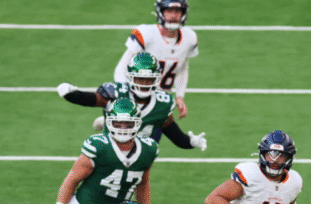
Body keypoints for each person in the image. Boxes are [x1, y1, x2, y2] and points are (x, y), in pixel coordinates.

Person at [39, 98, 159, 204]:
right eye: (117, 124)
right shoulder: (99, 146)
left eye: (128, 124)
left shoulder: (148, 149)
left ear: (137, 124)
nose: (122, 129)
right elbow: (72, 180)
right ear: (109, 123)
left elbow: (143, 183)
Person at [56, 51, 206, 151]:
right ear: (130, 77)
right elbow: (91, 99)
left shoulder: (162, 103)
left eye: (148, 80)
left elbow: (174, 134)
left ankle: (109, 119)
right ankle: (110, 119)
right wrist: (72, 94)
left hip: (137, 155)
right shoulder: (116, 93)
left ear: (156, 79)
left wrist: (191, 142)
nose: (144, 84)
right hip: (110, 151)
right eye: (140, 79)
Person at [114, 0, 198, 120]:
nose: (173, 15)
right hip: (138, 97)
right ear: (161, 12)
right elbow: (122, 68)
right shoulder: (147, 34)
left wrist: (180, 97)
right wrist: (125, 99)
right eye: (169, 11)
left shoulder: (189, 38)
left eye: (177, 11)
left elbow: (182, 68)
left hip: (160, 103)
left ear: (183, 13)